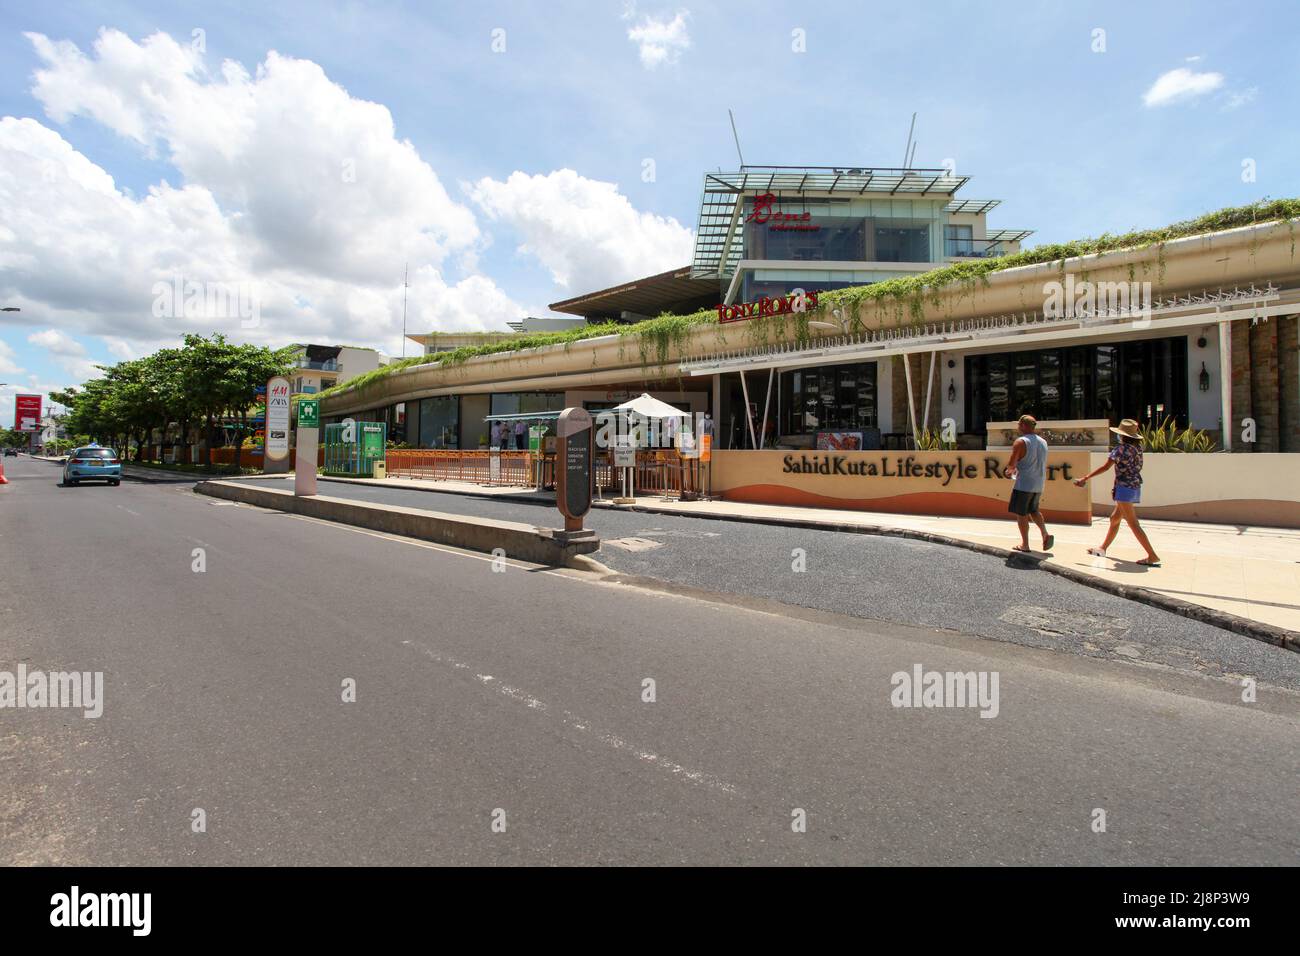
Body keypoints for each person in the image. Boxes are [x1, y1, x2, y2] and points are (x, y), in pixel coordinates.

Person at [1074, 418, 1160, 567]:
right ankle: (1102, 548)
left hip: (1124, 488)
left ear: (1122, 435)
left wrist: (1085, 477)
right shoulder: (1137, 448)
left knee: (1133, 523)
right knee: (1115, 518)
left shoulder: (1120, 449)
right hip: (1134, 486)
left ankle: (1152, 555)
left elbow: (1105, 467)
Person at [1004, 414, 1055, 553]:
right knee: (1034, 510)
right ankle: (1045, 533)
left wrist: (1008, 472)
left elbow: (1011, 465)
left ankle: (1025, 544)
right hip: (1038, 483)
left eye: (1019, 425)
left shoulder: (1021, 442)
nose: (1018, 427)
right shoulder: (1043, 442)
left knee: (1022, 514)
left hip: (1024, 483)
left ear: (1024, 425)